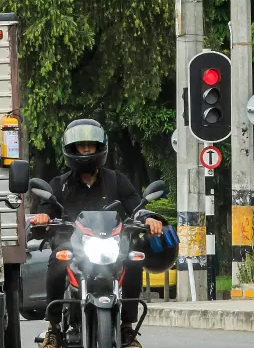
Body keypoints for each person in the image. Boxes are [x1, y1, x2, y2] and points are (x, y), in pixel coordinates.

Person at [30, 119, 164, 348]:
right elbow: (47, 210)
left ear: (100, 147)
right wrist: (42, 218)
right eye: (81, 146)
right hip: (74, 245)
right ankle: (53, 327)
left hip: (111, 243)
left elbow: (136, 206)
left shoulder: (116, 180)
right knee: (58, 258)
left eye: (90, 145)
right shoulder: (60, 184)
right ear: (72, 149)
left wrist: (148, 217)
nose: (86, 150)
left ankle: (127, 328)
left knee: (133, 259)